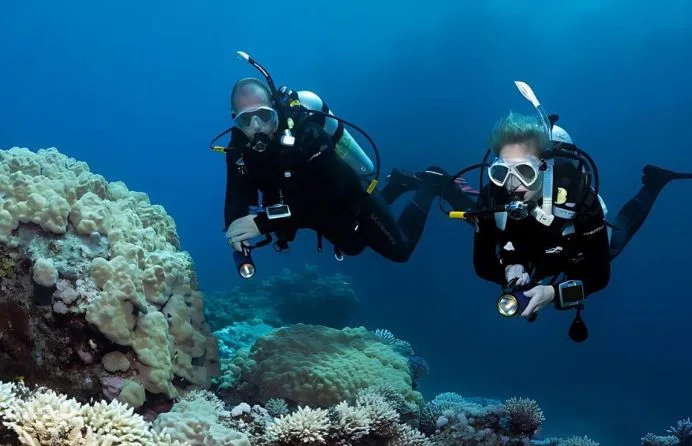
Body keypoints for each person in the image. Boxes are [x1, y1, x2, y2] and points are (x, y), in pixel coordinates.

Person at [218, 74, 474, 265]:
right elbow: (237, 197)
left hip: (349, 199)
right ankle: (397, 185)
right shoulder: (239, 149)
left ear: (275, 108)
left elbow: (333, 192)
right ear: (234, 119)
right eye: (245, 119)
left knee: (400, 251)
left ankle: (431, 182)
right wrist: (236, 235)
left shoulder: (308, 134)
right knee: (353, 246)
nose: (256, 127)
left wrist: (263, 222)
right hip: (308, 213)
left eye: (264, 115)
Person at [465, 110, 691, 320]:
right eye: (502, 171)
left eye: (524, 171)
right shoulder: (493, 197)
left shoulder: (580, 198)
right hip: (524, 252)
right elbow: (483, 265)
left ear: (544, 167)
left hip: (572, 248)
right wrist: (508, 270)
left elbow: (600, 277)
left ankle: (655, 184)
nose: (512, 184)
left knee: (617, 238)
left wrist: (553, 293)